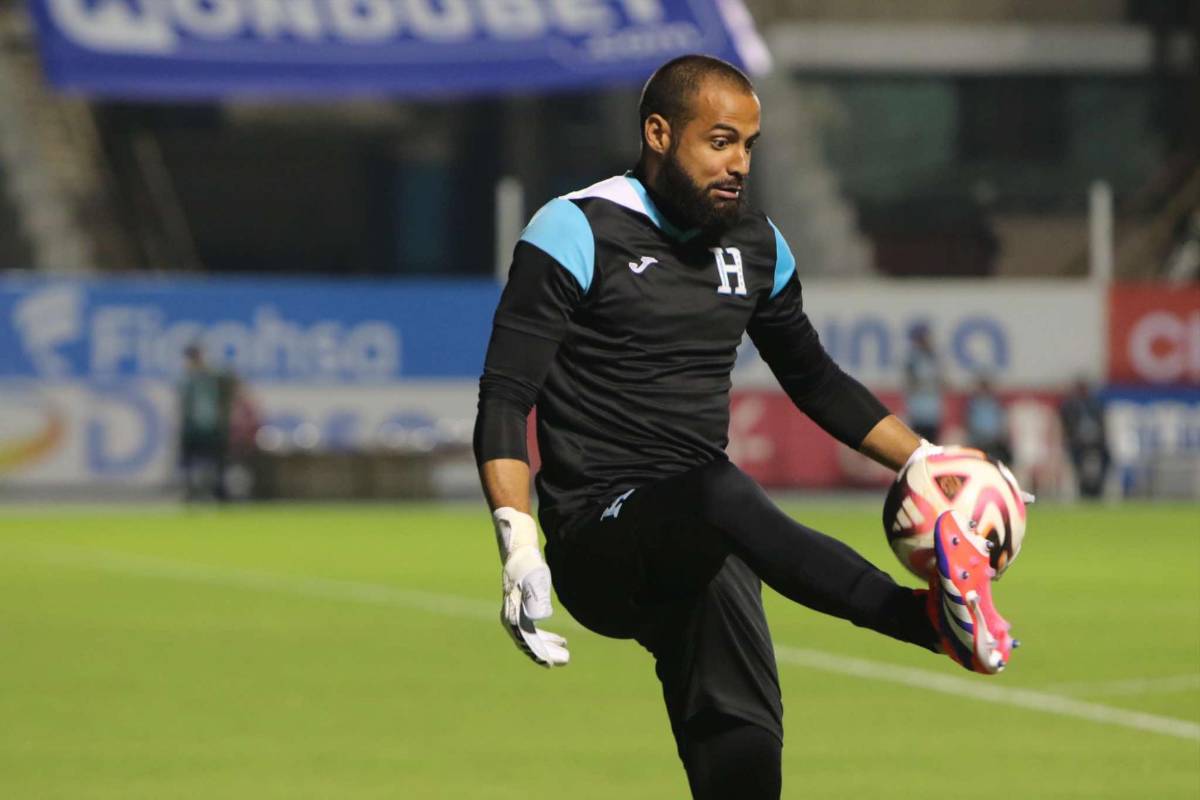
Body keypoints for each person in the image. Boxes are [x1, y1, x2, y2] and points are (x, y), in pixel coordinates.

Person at [473, 55, 1018, 799]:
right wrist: (518, 545)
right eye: (720, 142)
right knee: (719, 489)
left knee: (747, 762)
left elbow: (814, 379)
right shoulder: (576, 228)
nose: (739, 165)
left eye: (750, 146)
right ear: (659, 134)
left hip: (707, 543)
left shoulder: (757, 245)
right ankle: (928, 624)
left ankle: (938, 625)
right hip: (598, 537)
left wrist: (927, 462)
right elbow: (506, 396)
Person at [178, 343, 235, 501]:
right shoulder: (187, 379)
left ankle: (220, 492)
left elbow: (231, 384)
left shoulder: (215, 376)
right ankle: (192, 492)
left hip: (213, 427)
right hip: (193, 428)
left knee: (218, 462)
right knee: (189, 462)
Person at [1059, 378, 1110, 499]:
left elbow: (1102, 425)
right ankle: (1083, 488)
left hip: (1096, 441)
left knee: (1106, 457)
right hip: (1077, 442)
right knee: (1076, 457)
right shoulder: (1070, 406)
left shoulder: (1095, 405)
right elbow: (1066, 427)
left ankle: (1098, 488)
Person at [903, 322, 944, 443]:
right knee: (918, 444)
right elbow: (909, 383)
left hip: (932, 411)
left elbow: (943, 382)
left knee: (932, 445)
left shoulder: (935, 358)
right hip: (917, 410)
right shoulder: (912, 359)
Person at [965, 373, 1012, 464]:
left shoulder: (995, 403)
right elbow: (969, 423)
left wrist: (1001, 435)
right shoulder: (973, 404)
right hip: (978, 438)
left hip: (994, 439)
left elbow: (1000, 421)